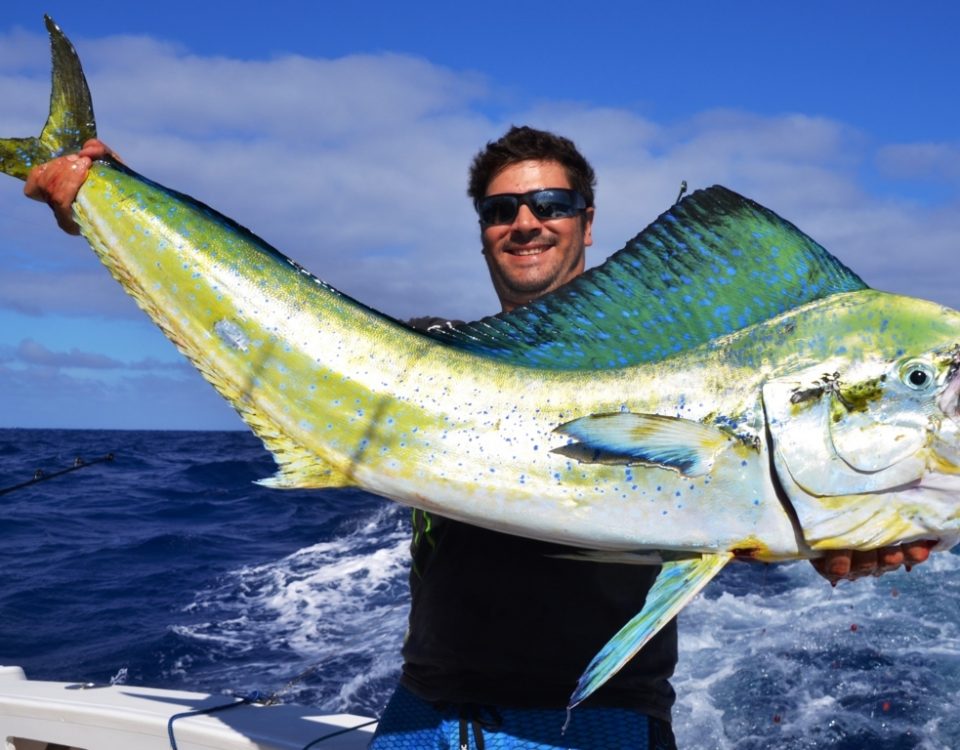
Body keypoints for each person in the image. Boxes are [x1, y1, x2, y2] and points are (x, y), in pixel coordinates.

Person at [26, 128, 936, 749]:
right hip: (426, 711)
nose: (525, 221)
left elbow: (754, 507)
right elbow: (261, 322)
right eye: (502, 210)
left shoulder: (708, 371)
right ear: (483, 232)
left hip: (600, 722)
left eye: (550, 202)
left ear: (586, 219)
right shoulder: (425, 354)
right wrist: (104, 202)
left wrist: (837, 537)